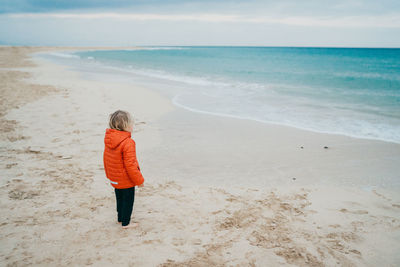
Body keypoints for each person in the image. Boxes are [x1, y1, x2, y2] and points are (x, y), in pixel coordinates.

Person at [103, 110, 144, 229]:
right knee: (128, 200)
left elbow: (106, 158)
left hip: (115, 178)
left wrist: (109, 175)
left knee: (119, 198)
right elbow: (131, 165)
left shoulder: (109, 139)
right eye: (131, 124)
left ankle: (120, 218)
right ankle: (126, 223)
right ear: (125, 126)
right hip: (126, 180)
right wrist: (139, 181)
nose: (133, 126)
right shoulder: (128, 142)